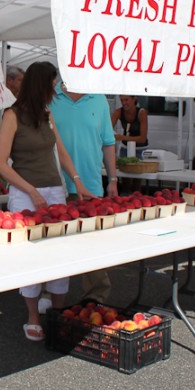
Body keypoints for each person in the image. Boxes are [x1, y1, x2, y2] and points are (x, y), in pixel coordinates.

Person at [0, 62, 94, 341]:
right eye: (52, 85)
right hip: (25, 194)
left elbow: (60, 151)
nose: (55, 90)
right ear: (42, 85)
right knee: (31, 257)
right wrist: (32, 191)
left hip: (54, 193)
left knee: (60, 254)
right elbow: (0, 164)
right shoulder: (12, 116)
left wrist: (77, 181)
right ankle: (33, 315)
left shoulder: (48, 115)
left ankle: (57, 314)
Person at [50, 85, 118, 304]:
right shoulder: (51, 98)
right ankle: (48, 293)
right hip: (55, 185)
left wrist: (113, 179)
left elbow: (108, 143)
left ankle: (95, 296)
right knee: (52, 244)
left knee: (93, 245)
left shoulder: (98, 99)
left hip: (90, 186)